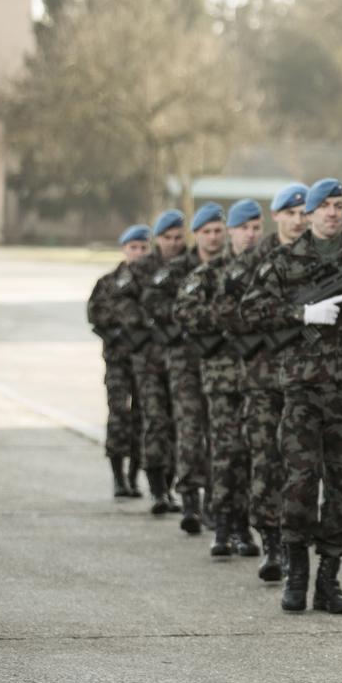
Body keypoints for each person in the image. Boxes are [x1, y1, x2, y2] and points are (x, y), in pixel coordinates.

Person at [241, 177, 342, 614]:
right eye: (324, 206)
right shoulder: (284, 260)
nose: (332, 212)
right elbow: (249, 310)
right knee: (301, 482)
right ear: (308, 213)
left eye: (339, 205)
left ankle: (329, 578)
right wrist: (299, 311)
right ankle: (297, 572)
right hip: (302, 391)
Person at [215, 182, 310, 582]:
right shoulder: (253, 262)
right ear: (278, 217)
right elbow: (226, 312)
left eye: (304, 212)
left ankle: (298, 545)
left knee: (303, 465)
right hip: (264, 377)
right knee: (265, 460)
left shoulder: (320, 256)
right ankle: (271, 543)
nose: (298, 219)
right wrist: (287, 319)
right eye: (290, 213)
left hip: (309, 377)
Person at [173, 200, 264, 557]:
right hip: (224, 379)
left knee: (259, 457)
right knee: (226, 454)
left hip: (262, 377)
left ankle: (253, 528)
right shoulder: (211, 274)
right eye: (244, 228)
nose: (251, 234)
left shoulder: (269, 271)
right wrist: (231, 318)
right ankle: (226, 527)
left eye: (257, 227)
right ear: (232, 232)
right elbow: (184, 312)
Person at [115, 209, 187, 515]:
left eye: (178, 237)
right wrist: (147, 328)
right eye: (167, 238)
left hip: (183, 359)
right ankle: (158, 489)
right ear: (157, 239)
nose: (173, 243)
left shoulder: (190, 266)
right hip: (150, 361)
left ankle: (173, 486)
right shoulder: (142, 268)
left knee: (178, 425)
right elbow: (121, 302)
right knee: (156, 421)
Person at [159, 203, 217, 535]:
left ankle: (213, 499)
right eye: (206, 232)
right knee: (190, 430)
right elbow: (157, 304)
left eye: (217, 231)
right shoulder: (178, 268)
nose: (212, 237)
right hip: (184, 361)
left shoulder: (230, 266)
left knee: (218, 433)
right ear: (197, 235)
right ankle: (190, 500)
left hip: (219, 361)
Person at [87, 224, 150, 497]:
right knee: (118, 417)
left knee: (143, 418)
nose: (137, 252)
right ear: (124, 249)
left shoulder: (155, 282)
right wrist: (115, 334)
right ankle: (118, 478)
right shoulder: (108, 283)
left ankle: (135, 477)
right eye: (132, 247)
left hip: (147, 362)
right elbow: (94, 315)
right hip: (118, 362)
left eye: (143, 247)